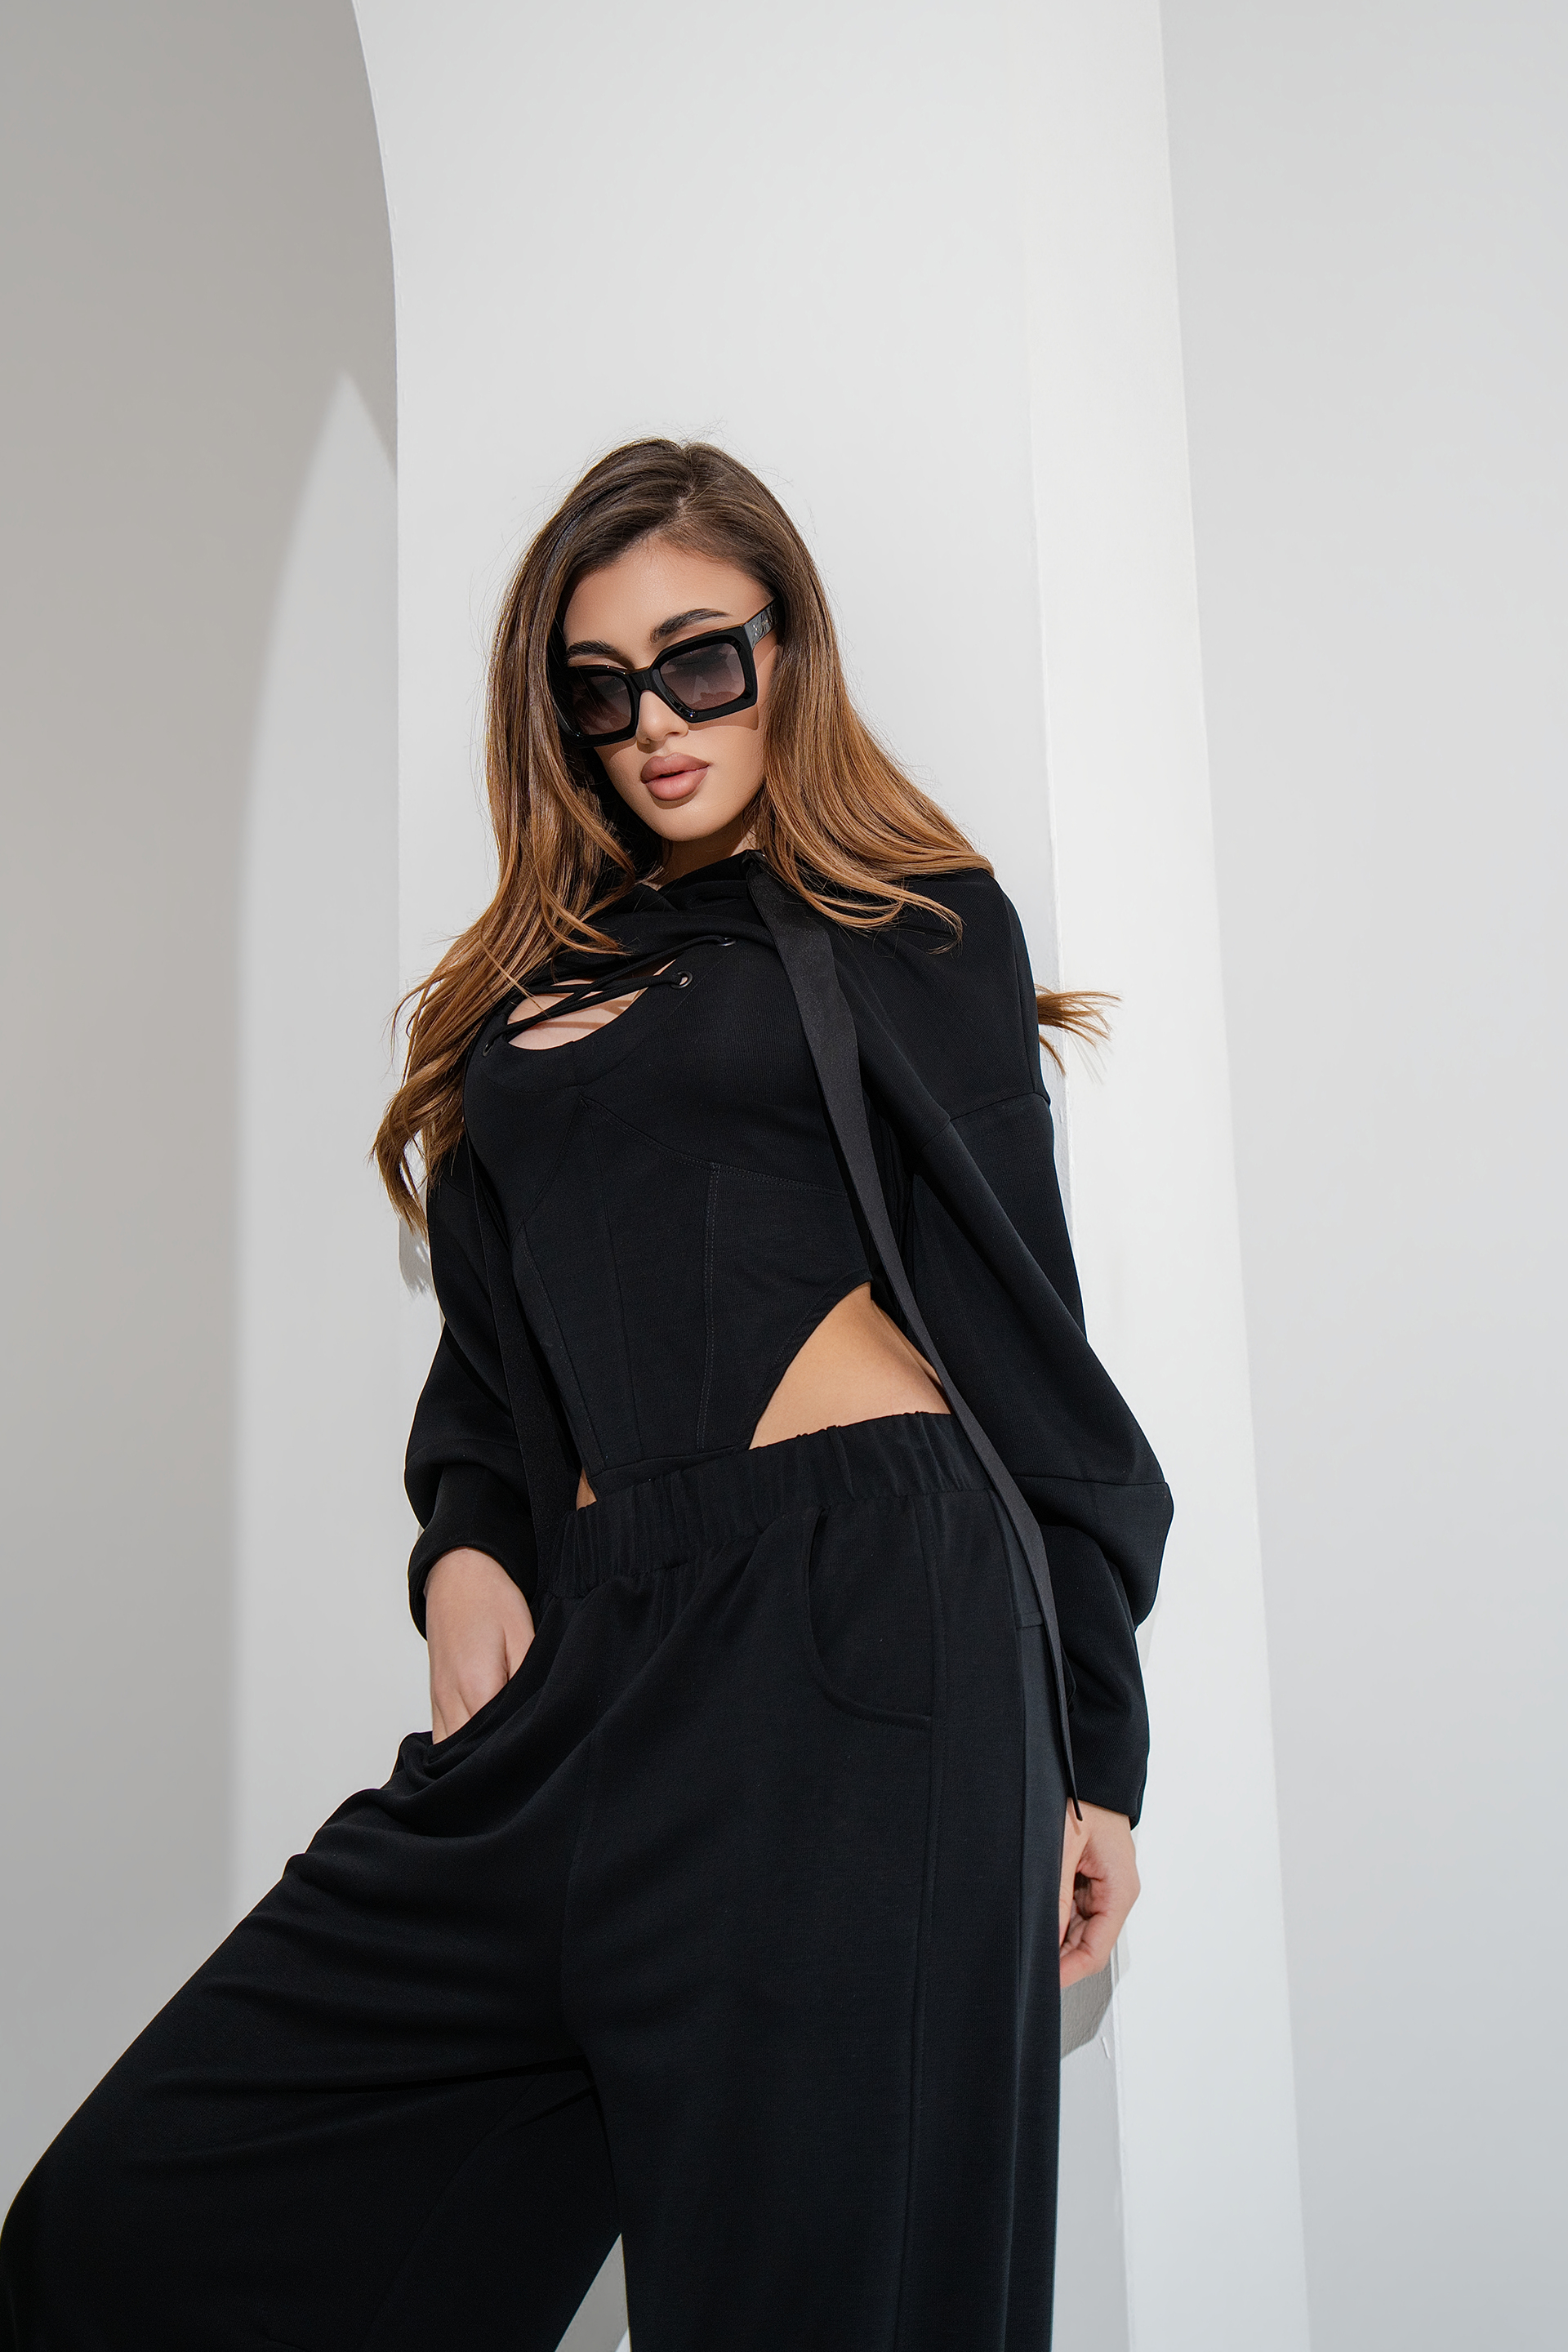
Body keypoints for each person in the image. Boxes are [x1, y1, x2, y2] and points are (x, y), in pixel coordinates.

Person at [0, 439, 1170, 2350]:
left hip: (860, 1632)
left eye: (700, 661)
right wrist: (468, 1541)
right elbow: (495, 1344)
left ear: (786, 648)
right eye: (600, 690)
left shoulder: (906, 923)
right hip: (598, 1665)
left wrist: (1094, 1750)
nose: (656, 724)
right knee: (126, 2227)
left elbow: (1031, 1345)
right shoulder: (525, 993)